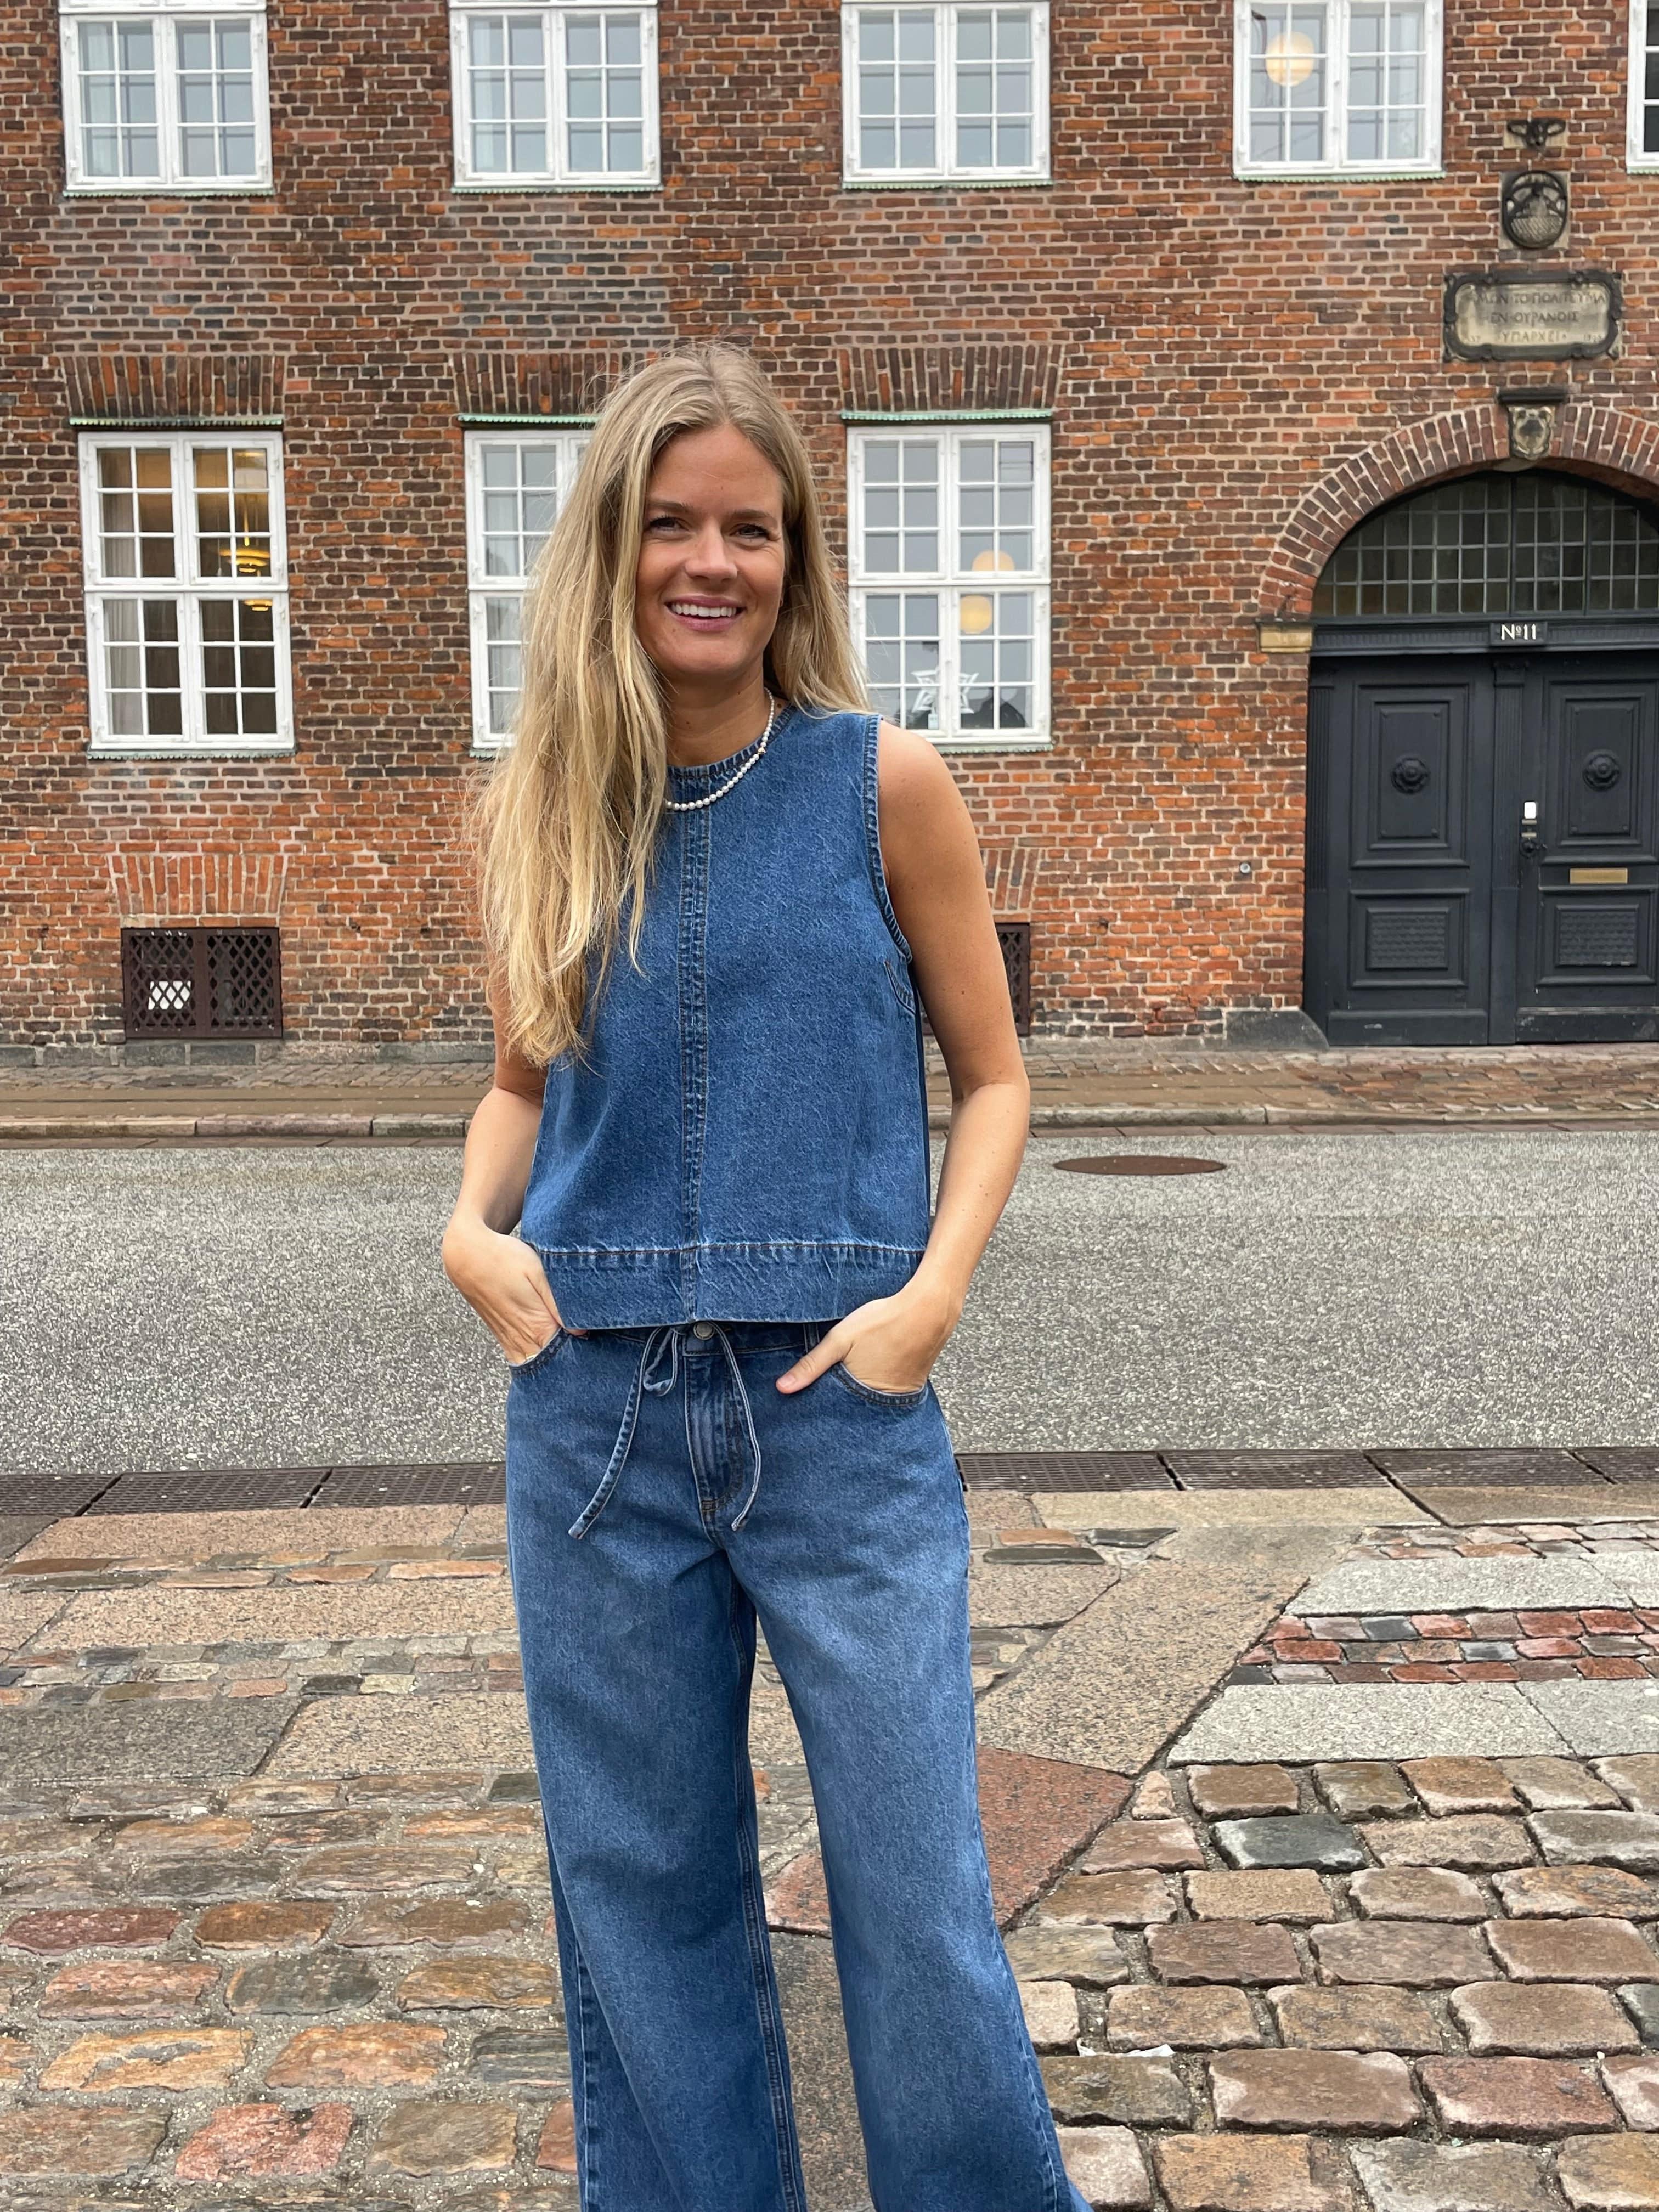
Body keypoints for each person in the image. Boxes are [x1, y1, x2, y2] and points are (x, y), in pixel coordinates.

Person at [442, 342, 1086, 2212]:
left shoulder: (886, 785)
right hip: (596, 1424)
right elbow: (520, 1082)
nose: (709, 562)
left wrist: (929, 1302)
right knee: (641, 1888)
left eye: (751, 528)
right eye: (671, 525)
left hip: (838, 1418)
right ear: (612, 549)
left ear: (798, 559)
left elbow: (996, 1079)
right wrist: (470, 1232)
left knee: (915, 1887)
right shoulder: (547, 803)